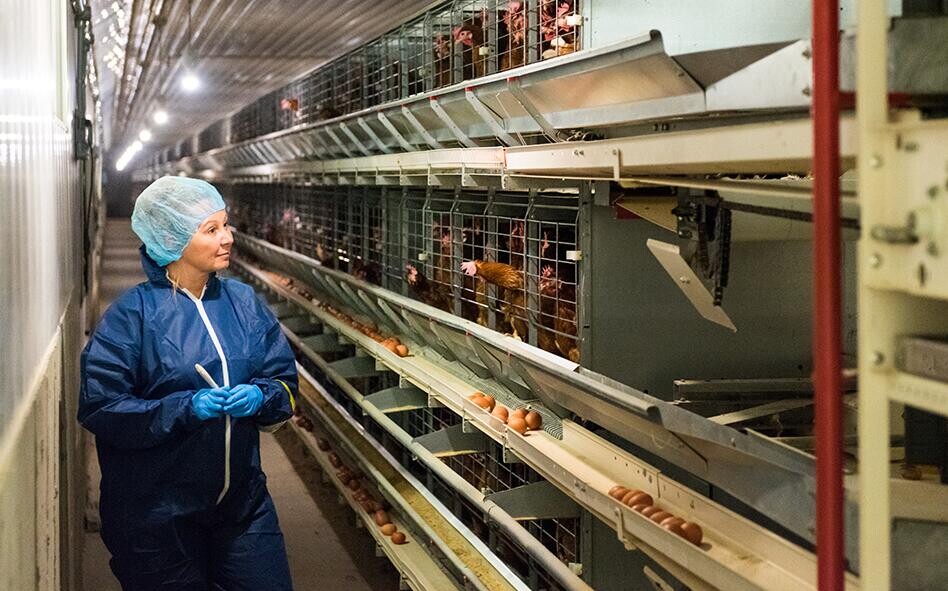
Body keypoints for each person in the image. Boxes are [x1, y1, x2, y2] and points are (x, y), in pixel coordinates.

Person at [78, 176, 297, 590]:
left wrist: (262, 396)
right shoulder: (132, 317)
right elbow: (101, 408)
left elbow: (283, 383)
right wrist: (184, 408)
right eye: (210, 230)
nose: (227, 238)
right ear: (171, 239)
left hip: (242, 505)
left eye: (225, 225)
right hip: (157, 516)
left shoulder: (243, 303)